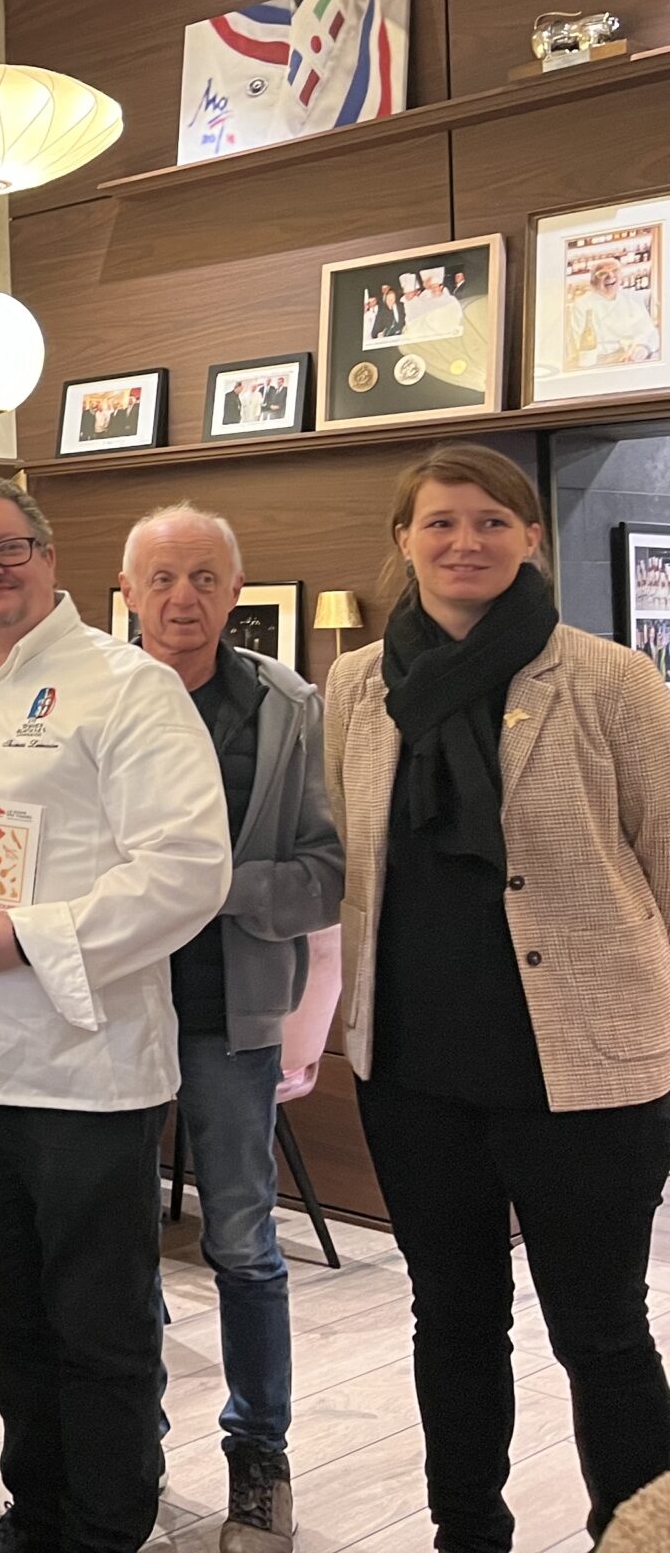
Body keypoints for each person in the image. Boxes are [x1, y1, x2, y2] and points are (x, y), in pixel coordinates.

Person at [324, 443, 670, 1550]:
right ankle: (465, 1531)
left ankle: (638, 1534)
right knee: (452, 1318)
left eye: (489, 521)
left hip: (587, 1064)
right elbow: (350, 852)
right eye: (439, 522)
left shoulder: (609, 679)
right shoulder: (355, 686)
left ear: (529, 538)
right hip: (413, 1063)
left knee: (602, 1329)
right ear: (404, 541)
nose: (463, 542)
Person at [0, 470, 231, 1553]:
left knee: (98, 1322)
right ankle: (37, 1512)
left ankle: (107, 1526)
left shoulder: (129, 689)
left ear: (48, 557)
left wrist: (29, 935)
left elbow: (188, 868)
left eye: (7, 549)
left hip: (81, 1066)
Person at [120, 505, 346, 1553]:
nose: (183, 599)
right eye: (162, 578)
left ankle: (260, 1457)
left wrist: (213, 886)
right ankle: (134, 1449)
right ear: (128, 594)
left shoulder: (289, 708)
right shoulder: (86, 699)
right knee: (116, 1246)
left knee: (245, 1245)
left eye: (205, 578)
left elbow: (325, 874)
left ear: (234, 593)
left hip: (230, 1015)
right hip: (107, 1014)